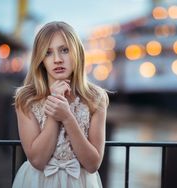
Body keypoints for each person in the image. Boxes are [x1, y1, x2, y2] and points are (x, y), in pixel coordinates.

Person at [12, 21, 109, 188]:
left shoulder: (95, 98)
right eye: (48, 53)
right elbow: (38, 160)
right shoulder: (26, 98)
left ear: (77, 53)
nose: (57, 60)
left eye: (64, 50)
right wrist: (54, 110)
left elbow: (93, 164)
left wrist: (67, 117)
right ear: (40, 59)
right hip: (38, 182)